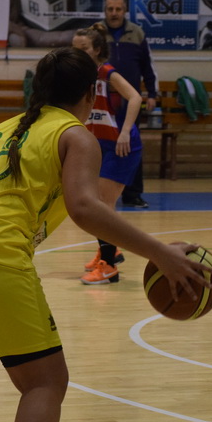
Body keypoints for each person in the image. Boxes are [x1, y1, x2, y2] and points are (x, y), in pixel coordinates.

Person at [0, 47, 212, 422]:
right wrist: (160, 253)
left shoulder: (7, 127)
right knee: (45, 382)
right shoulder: (75, 135)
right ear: (91, 93)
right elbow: (85, 207)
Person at [72, 23, 143, 285]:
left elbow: (135, 98)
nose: (77, 53)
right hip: (100, 144)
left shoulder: (106, 72)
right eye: (74, 48)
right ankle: (110, 251)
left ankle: (109, 267)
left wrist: (124, 132)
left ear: (97, 50)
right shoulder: (82, 76)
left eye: (83, 49)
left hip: (121, 144)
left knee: (102, 205)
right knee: (97, 203)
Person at [102, 0, 158, 208]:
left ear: (125, 10)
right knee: (100, 146)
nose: (114, 13)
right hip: (103, 101)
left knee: (131, 143)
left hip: (130, 102)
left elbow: (147, 66)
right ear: (105, 10)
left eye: (118, 9)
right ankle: (99, 194)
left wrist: (152, 93)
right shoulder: (96, 33)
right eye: (110, 9)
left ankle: (133, 195)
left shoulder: (137, 33)